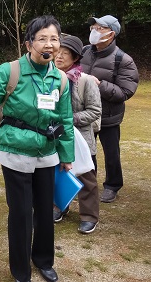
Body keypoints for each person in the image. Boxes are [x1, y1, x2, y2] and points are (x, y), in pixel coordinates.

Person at [0, 15, 74, 282]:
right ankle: (20, 270)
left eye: (54, 39)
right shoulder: (10, 71)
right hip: (16, 153)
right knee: (21, 213)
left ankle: (43, 260)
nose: (49, 45)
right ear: (29, 44)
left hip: (47, 154)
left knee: (45, 211)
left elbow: (65, 119)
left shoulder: (60, 79)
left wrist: (67, 155)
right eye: (42, 39)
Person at [80, 15, 139, 203]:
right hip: (85, 113)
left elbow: (125, 92)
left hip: (108, 115)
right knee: (86, 151)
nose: (94, 32)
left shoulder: (123, 59)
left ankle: (113, 186)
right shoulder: (83, 51)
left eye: (99, 28)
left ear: (111, 33)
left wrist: (99, 84)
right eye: (93, 28)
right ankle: (87, 185)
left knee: (111, 153)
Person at [54, 35, 102, 234]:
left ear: (75, 58)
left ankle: (89, 215)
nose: (60, 56)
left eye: (66, 53)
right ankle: (59, 206)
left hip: (80, 137)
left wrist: (70, 119)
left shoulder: (85, 81)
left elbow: (95, 110)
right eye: (58, 52)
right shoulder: (49, 78)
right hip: (55, 135)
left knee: (86, 176)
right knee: (58, 173)